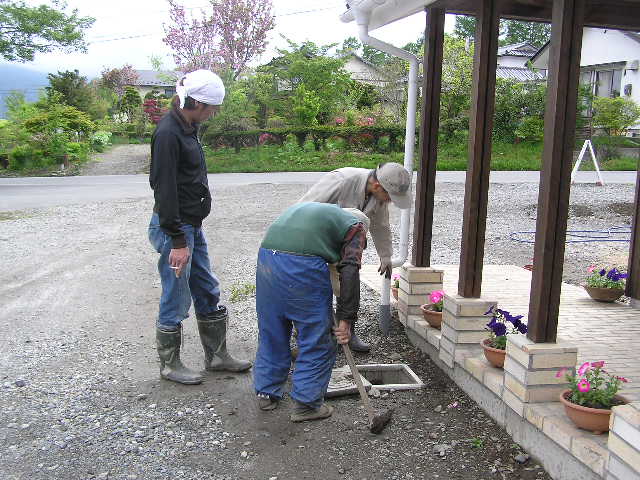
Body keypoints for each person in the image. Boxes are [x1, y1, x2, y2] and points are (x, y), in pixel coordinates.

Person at [148, 69, 251, 385]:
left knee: (206, 287)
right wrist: (178, 240)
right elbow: (163, 188)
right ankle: (169, 365)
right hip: (175, 229)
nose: (213, 113)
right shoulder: (168, 133)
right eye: (211, 108)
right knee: (176, 296)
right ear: (195, 102)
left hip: (191, 226)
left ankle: (217, 356)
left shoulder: (188, 126)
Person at [253, 203, 369, 422]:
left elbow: (335, 272)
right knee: (317, 337)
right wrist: (346, 320)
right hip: (301, 264)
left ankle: (266, 392)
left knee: (273, 329)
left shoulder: (323, 216)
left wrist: (343, 313)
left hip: (267, 259)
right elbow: (349, 271)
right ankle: (306, 405)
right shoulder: (356, 227)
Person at [298, 163, 412, 352]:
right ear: (377, 186)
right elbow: (304, 209)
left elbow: (381, 226)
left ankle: (347, 331)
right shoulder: (341, 181)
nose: (390, 202)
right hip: (314, 243)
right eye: (390, 197)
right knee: (315, 289)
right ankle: (315, 338)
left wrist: (386, 256)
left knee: (347, 288)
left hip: (343, 248)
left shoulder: (378, 197)